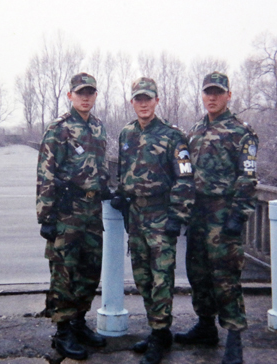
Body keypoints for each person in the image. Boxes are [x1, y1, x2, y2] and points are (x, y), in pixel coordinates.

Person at [175, 71, 258, 364]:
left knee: (226, 278)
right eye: (208, 92)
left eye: (218, 92)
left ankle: (234, 340)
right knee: (198, 273)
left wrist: (238, 216)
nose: (212, 97)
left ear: (228, 95)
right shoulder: (195, 130)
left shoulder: (241, 132)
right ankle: (206, 326)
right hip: (197, 215)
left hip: (223, 216)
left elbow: (248, 178)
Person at [111, 77, 195, 364]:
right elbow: (123, 172)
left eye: (148, 98)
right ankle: (156, 328)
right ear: (132, 102)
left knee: (161, 277)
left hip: (161, 215)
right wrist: (121, 195)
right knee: (142, 276)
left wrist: (178, 217)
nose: (143, 103)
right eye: (138, 99)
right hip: (136, 216)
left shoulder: (173, 135)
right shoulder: (126, 134)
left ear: (157, 100)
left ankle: (161, 334)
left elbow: (185, 178)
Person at [36, 72, 110, 360]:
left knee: (90, 268)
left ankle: (80, 322)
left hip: (92, 210)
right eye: (80, 93)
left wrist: (106, 188)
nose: (85, 97)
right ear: (70, 96)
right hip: (67, 209)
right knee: (64, 269)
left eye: (90, 92)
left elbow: (99, 165)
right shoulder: (59, 128)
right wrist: (46, 216)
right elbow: (45, 173)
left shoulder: (98, 127)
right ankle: (63, 331)